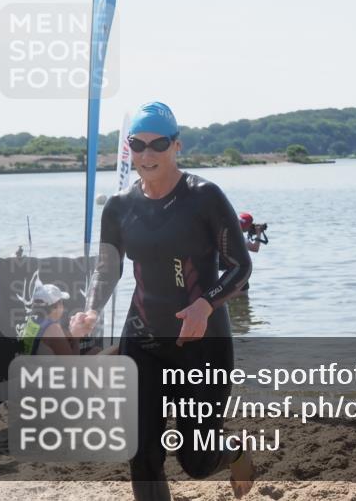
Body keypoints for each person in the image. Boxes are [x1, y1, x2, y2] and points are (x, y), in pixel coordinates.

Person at [69, 101, 254, 501]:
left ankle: (233, 451)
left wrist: (205, 305)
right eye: (138, 144)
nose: (147, 154)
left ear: (177, 147)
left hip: (201, 344)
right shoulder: (119, 207)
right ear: (129, 150)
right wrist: (91, 309)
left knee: (196, 461)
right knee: (142, 452)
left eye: (159, 144)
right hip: (143, 340)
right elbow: (108, 268)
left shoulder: (203, 197)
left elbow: (240, 267)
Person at [19, 283, 79, 356]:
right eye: (62, 302)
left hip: (26, 365)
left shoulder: (31, 320)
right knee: (95, 351)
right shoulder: (53, 329)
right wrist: (76, 337)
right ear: (55, 307)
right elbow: (72, 363)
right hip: (37, 366)